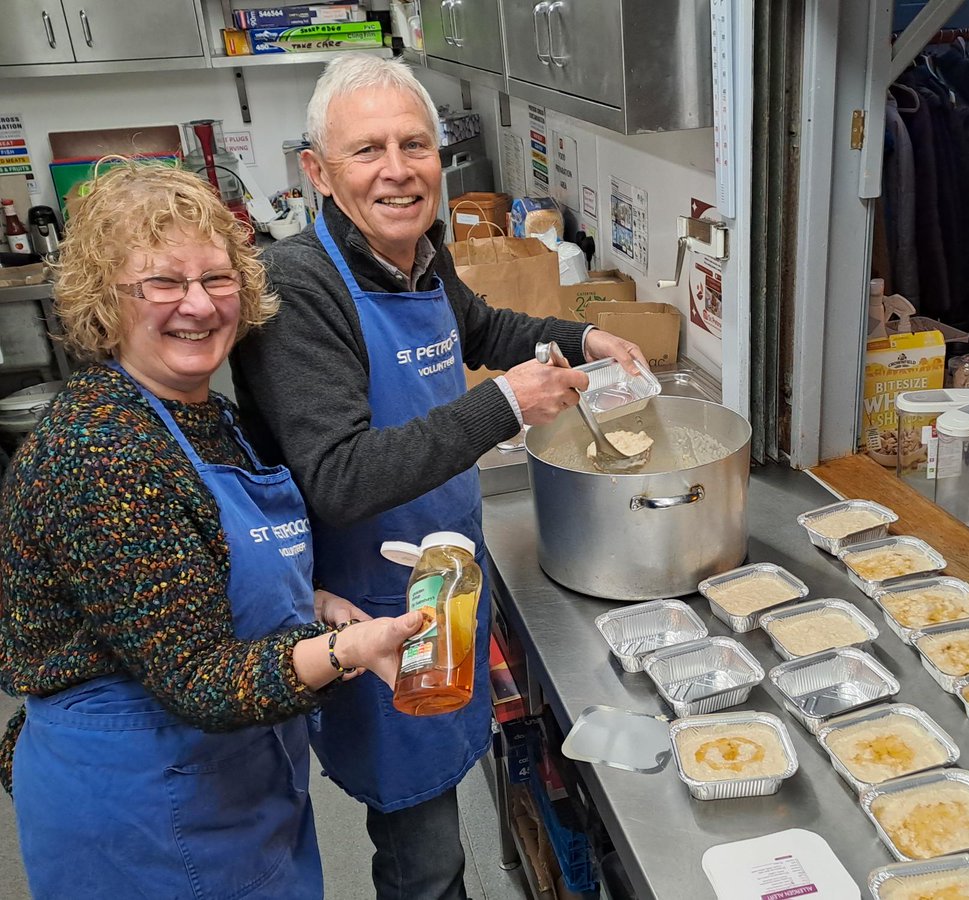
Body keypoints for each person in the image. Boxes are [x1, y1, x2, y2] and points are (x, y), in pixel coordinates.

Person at [231, 54, 646, 899]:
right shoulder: (299, 287)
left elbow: (483, 326)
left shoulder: (420, 252)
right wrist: (504, 408)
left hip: (446, 577)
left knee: (453, 782)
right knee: (422, 852)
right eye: (367, 150)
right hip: (372, 611)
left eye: (413, 144)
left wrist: (581, 339)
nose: (396, 168)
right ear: (316, 171)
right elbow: (337, 477)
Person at [0, 162, 427, 899]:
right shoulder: (102, 449)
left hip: (225, 783)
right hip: (143, 807)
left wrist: (309, 599)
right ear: (107, 301)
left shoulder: (204, 414)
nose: (197, 305)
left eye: (217, 279)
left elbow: (201, 571)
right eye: (161, 283)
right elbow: (198, 680)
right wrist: (346, 648)